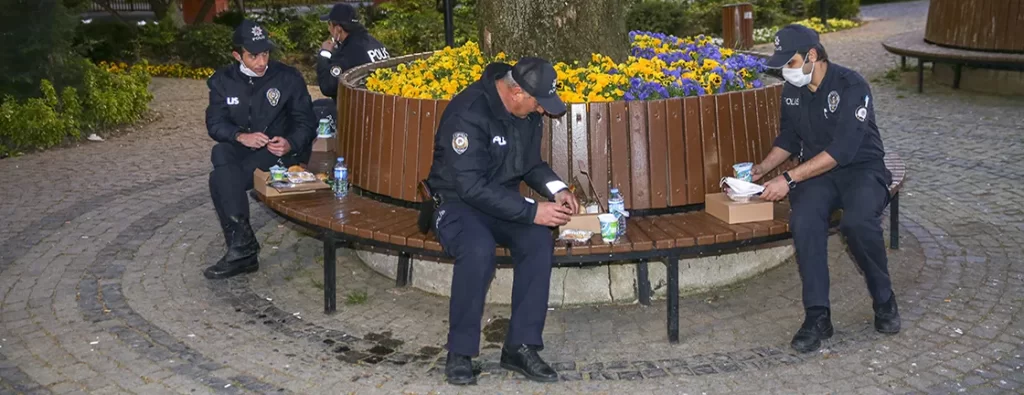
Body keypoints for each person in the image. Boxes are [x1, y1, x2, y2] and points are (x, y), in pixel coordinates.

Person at [424, 57, 578, 385]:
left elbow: (531, 164)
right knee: (478, 249)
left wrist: (558, 189)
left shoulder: (526, 114)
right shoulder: (468, 112)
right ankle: (460, 352)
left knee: (538, 240)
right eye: (538, 103)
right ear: (516, 91)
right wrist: (532, 211)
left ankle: (520, 347)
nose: (542, 111)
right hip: (456, 203)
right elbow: (471, 186)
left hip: (503, 204)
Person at [752, 24, 901, 353]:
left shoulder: (851, 86)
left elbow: (842, 151)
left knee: (857, 223)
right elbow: (789, 139)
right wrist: (762, 168)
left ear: (812, 56)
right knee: (804, 221)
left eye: (789, 64)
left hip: (862, 169)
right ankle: (817, 316)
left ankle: (884, 299)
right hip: (819, 175)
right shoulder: (792, 91)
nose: (785, 73)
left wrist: (788, 179)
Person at [203, 20, 317, 280]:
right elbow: (215, 123)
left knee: (219, 177)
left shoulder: (288, 77)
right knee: (221, 153)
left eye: (265, 53)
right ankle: (242, 247)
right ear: (237, 55)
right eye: (253, 55)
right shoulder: (222, 81)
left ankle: (243, 249)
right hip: (244, 149)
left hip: (279, 153)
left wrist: (290, 142)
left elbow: (306, 122)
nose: (261, 61)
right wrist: (240, 136)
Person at [316, 3, 390, 101]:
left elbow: (328, 87)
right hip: (380, 102)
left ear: (338, 29)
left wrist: (324, 54)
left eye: (329, 24)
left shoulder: (349, 52)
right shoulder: (372, 42)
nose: (329, 29)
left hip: (361, 109)